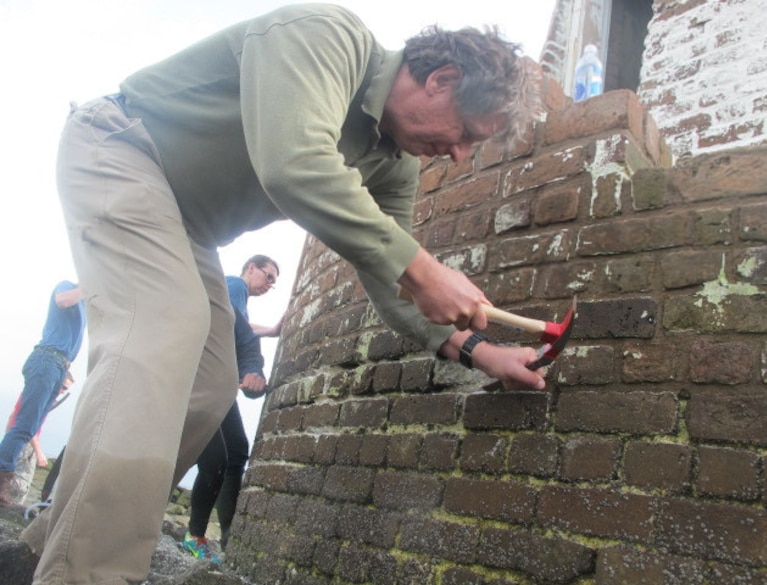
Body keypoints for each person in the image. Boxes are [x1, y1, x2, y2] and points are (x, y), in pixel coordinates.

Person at [19, 5, 546, 584]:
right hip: (122, 148)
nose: (460, 155)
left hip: (186, 225)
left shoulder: (393, 167)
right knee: (165, 327)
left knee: (209, 380)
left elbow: (390, 281)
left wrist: (479, 351)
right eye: (467, 134)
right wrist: (423, 268)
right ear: (440, 79)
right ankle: (86, 573)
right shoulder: (326, 36)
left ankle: (53, 543)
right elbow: (295, 163)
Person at [181, 255, 281, 562]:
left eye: (274, 283)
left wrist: (266, 340)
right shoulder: (234, 284)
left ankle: (226, 535)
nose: (269, 285)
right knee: (215, 459)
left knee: (237, 449)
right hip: (201, 382)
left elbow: (241, 329)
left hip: (219, 384)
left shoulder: (238, 299)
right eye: (268, 276)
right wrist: (254, 365)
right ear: (251, 268)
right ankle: (196, 535)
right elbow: (236, 323)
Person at [0, 281, 84, 510]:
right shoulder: (69, 287)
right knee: (25, 425)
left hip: (59, 365)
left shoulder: (85, 304)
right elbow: (63, 300)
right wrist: (91, 282)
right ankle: (1, 481)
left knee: (31, 426)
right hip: (48, 358)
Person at [5, 372, 74, 506]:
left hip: (16, 439)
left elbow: (13, 416)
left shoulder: (33, 391)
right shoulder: (43, 396)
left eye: (66, 390)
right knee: (20, 485)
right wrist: (39, 453)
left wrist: (9, 438)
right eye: (63, 387)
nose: (62, 392)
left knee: (8, 478)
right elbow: (30, 425)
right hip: (25, 442)